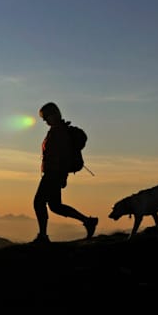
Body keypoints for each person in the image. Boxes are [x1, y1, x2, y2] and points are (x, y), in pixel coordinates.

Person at [33, 102, 98, 244]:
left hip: (53, 174)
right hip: (55, 174)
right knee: (56, 206)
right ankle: (88, 221)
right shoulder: (58, 130)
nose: (45, 121)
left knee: (39, 202)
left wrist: (60, 175)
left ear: (54, 114)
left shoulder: (59, 132)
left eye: (46, 117)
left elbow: (62, 156)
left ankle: (43, 236)